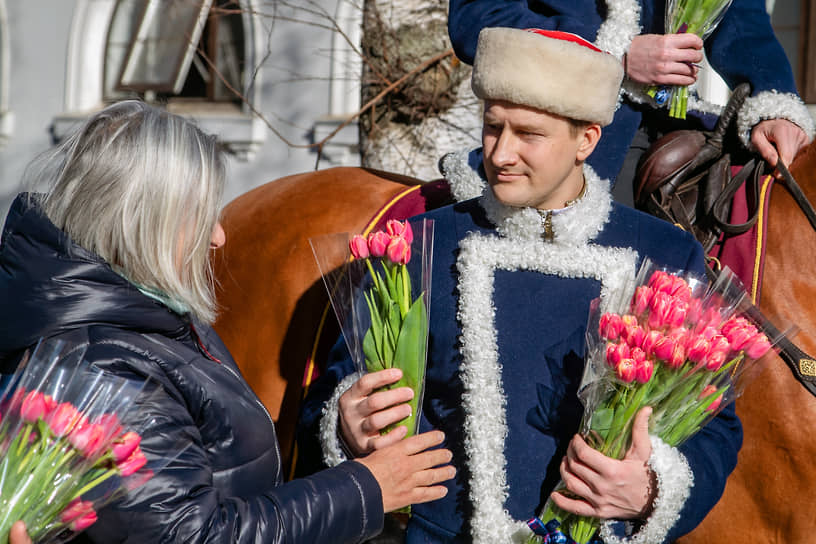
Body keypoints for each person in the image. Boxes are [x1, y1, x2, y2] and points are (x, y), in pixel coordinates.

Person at [298, 28, 742, 543]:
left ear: (587, 140)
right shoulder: (421, 243)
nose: (500, 154)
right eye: (492, 128)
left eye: (528, 134)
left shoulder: (664, 252)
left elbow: (716, 428)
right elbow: (330, 398)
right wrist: (346, 425)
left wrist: (646, 492)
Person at [0, 100, 456, 543]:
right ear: (142, 224)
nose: (220, 237)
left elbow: (228, 473)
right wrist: (366, 489)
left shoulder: (149, 315)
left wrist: (343, 437)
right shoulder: (107, 362)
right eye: (201, 219)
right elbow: (193, 535)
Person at [447, 0, 815, 202]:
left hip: (679, 121)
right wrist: (612, 55)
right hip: (571, 128)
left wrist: (773, 102)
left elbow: (739, 16)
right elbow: (477, 18)